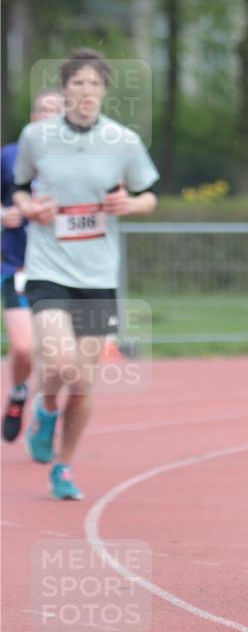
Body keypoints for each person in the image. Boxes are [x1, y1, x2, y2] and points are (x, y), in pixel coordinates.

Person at [13, 48, 159, 500]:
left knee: (84, 379)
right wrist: (29, 209)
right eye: (78, 83)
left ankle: (64, 465)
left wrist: (128, 205)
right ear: (65, 89)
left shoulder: (123, 141)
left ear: (104, 91)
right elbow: (19, 189)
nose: (86, 92)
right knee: (59, 362)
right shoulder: (37, 137)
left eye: (94, 84)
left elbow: (148, 195)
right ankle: (46, 410)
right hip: (48, 268)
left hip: (97, 276)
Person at [2, 90, 64, 441]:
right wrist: (3, 214)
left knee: (57, 358)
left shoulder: (76, 161)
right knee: (24, 349)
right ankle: (19, 393)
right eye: (42, 110)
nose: (47, 116)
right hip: (19, 267)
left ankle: (46, 412)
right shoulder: (9, 157)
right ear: (31, 116)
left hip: (61, 271)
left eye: (55, 111)